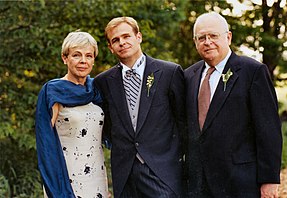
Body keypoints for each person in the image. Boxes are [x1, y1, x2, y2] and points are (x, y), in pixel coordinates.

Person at [185, 12, 282, 197]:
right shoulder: (189, 75)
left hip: (240, 182)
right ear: (195, 42)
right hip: (198, 184)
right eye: (201, 38)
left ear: (228, 37)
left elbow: (268, 130)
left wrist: (269, 180)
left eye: (213, 36)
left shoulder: (252, 72)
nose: (208, 42)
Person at [93, 17, 186, 198]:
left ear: (139, 37)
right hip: (125, 175)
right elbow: (108, 127)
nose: (122, 42)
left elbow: (183, 122)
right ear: (111, 47)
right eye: (115, 40)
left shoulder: (169, 72)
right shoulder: (103, 82)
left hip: (162, 174)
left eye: (126, 36)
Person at [35, 31, 109, 198]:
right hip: (66, 179)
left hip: (97, 178)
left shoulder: (95, 90)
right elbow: (45, 143)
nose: (83, 60)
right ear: (65, 58)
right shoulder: (53, 92)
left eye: (89, 55)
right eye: (77, 55)